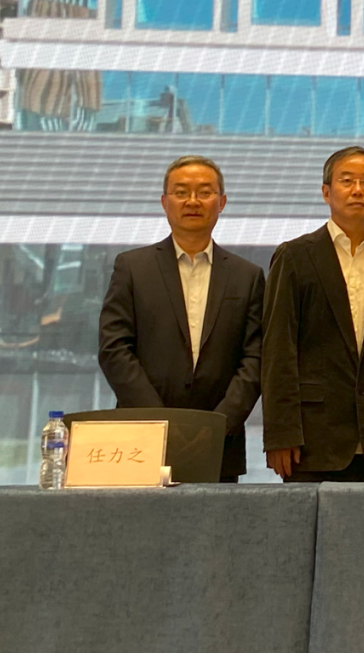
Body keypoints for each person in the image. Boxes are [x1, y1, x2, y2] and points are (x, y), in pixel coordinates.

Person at [98, 155, 264, 481]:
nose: (192, 201)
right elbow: (113, 348)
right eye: (181, 192)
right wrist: (159, 422)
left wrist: (217, 426)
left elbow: (256, 358)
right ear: (164, 202)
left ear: (222, 202)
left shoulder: (247, 276)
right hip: (140, 440)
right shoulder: (132, 267)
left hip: (219, 444)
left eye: (204, 192)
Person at [261, 146, 364, 482]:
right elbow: (277, 349)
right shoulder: (294, 256)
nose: (358, 190)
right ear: (326, 192)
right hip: (312, 437)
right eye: (347, 181)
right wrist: (280, 433)